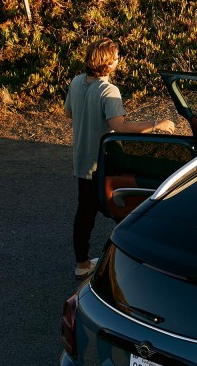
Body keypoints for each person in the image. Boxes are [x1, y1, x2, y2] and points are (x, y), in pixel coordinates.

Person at [65, 40, 175, 278]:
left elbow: (69, 113)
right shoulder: (108, 91)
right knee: (122, 209)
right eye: (115, 56)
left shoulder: (76, 82)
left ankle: (82, 262)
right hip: (102, 161)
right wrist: (156, 124)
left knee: (85, 212)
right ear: (107, 61)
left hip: (81, 159)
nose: (118, 60)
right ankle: (132, 261)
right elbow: (120, 125)